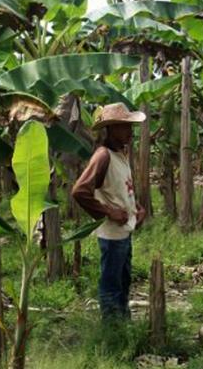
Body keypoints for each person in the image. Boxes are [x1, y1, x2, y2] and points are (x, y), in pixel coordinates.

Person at [71, 102, 147, 319]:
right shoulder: (103, 155)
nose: (130, 131)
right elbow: (80, 191)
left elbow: (121, 190)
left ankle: (122, 326)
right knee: (111, 286)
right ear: (111, 130)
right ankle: (112, 332)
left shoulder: (120, 155)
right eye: (125, 127)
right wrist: (108, 212)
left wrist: (137, 209)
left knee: (123, 283)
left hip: (124, 233)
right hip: (112, 235)